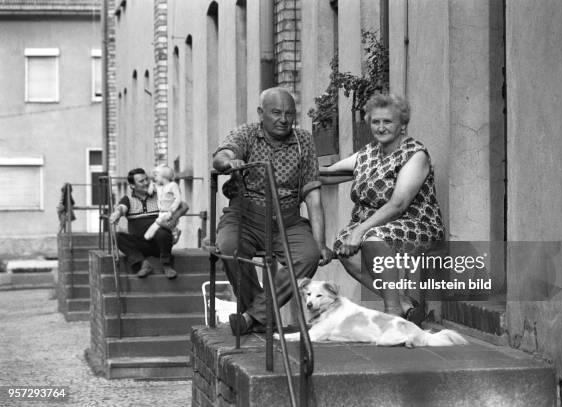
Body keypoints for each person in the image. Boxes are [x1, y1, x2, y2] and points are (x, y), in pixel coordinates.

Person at [213, 87, 333, 336]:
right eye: (276, 112)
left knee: (308, 255)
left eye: (289, 113)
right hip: (244, 215)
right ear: (261, 113)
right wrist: (228, 161)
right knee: (228, 247)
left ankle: (251, 317)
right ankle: (261, 316)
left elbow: (312, 194)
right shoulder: (246, 133)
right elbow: (223, 153)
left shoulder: (303, 140)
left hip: (287, 219)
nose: (283, 119)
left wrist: (321, 243)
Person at [321, 93, 445, 319]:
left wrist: (359, 230)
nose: (380, 127)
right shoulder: (368, 153)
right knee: (343, 246)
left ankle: (393, 313)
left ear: (402, 124)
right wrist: (299, 174)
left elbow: (398, 204)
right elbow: (329, 174)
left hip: (416, 224)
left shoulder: (414, 154)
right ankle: (404, 303)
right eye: (375, 121)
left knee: (373, 238)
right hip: (377, 226)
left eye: (387, 121)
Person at [108, 168, 189, 279]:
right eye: (141, 181)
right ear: (132, 186)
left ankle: (166, 265)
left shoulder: (159, 195)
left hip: (160, 244)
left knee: (162, 232)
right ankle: (143, 264)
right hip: (139, 245)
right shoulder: (128, 199)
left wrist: (173, 219)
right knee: (117, 236)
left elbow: (184, 206)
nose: (146, 183)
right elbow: (122, 208)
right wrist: (117, 213)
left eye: (147, 179)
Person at [144, 164, 182, 243]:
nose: (155, 178)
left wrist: (172, 211)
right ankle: (174, 231)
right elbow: (149, 192)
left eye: (156, 176)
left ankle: (174, 230)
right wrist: (151, 183)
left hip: (169, 213)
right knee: (151, 234)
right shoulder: (160, 187)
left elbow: (178, 199)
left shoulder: (173, 185)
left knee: (150, 233)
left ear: (163, 176)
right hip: (161, 213)